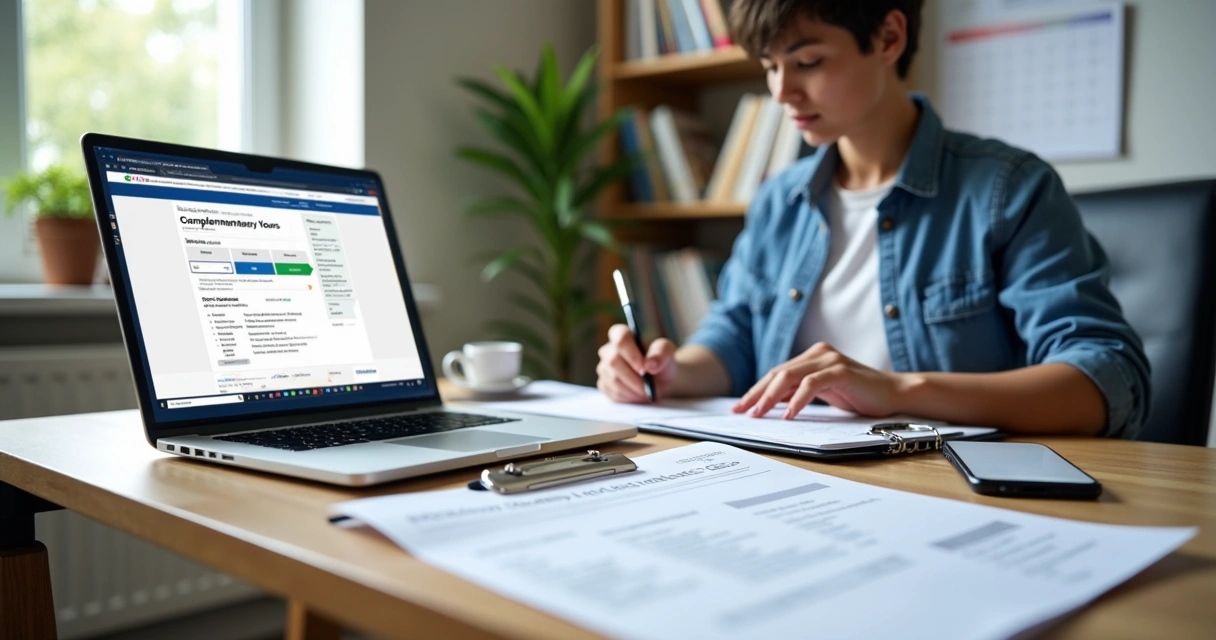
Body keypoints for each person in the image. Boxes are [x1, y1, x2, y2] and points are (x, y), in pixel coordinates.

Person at [596, 0, 1150, 438]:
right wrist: (670, 373)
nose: (781, 92)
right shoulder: (780, 198)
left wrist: (900, 391)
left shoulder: (1008, 188)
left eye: (808, 62)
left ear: (889, 37)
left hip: (948, 486)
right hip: (797, 481)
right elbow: (735, 334)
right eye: (769, 67)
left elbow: (1105, 380)